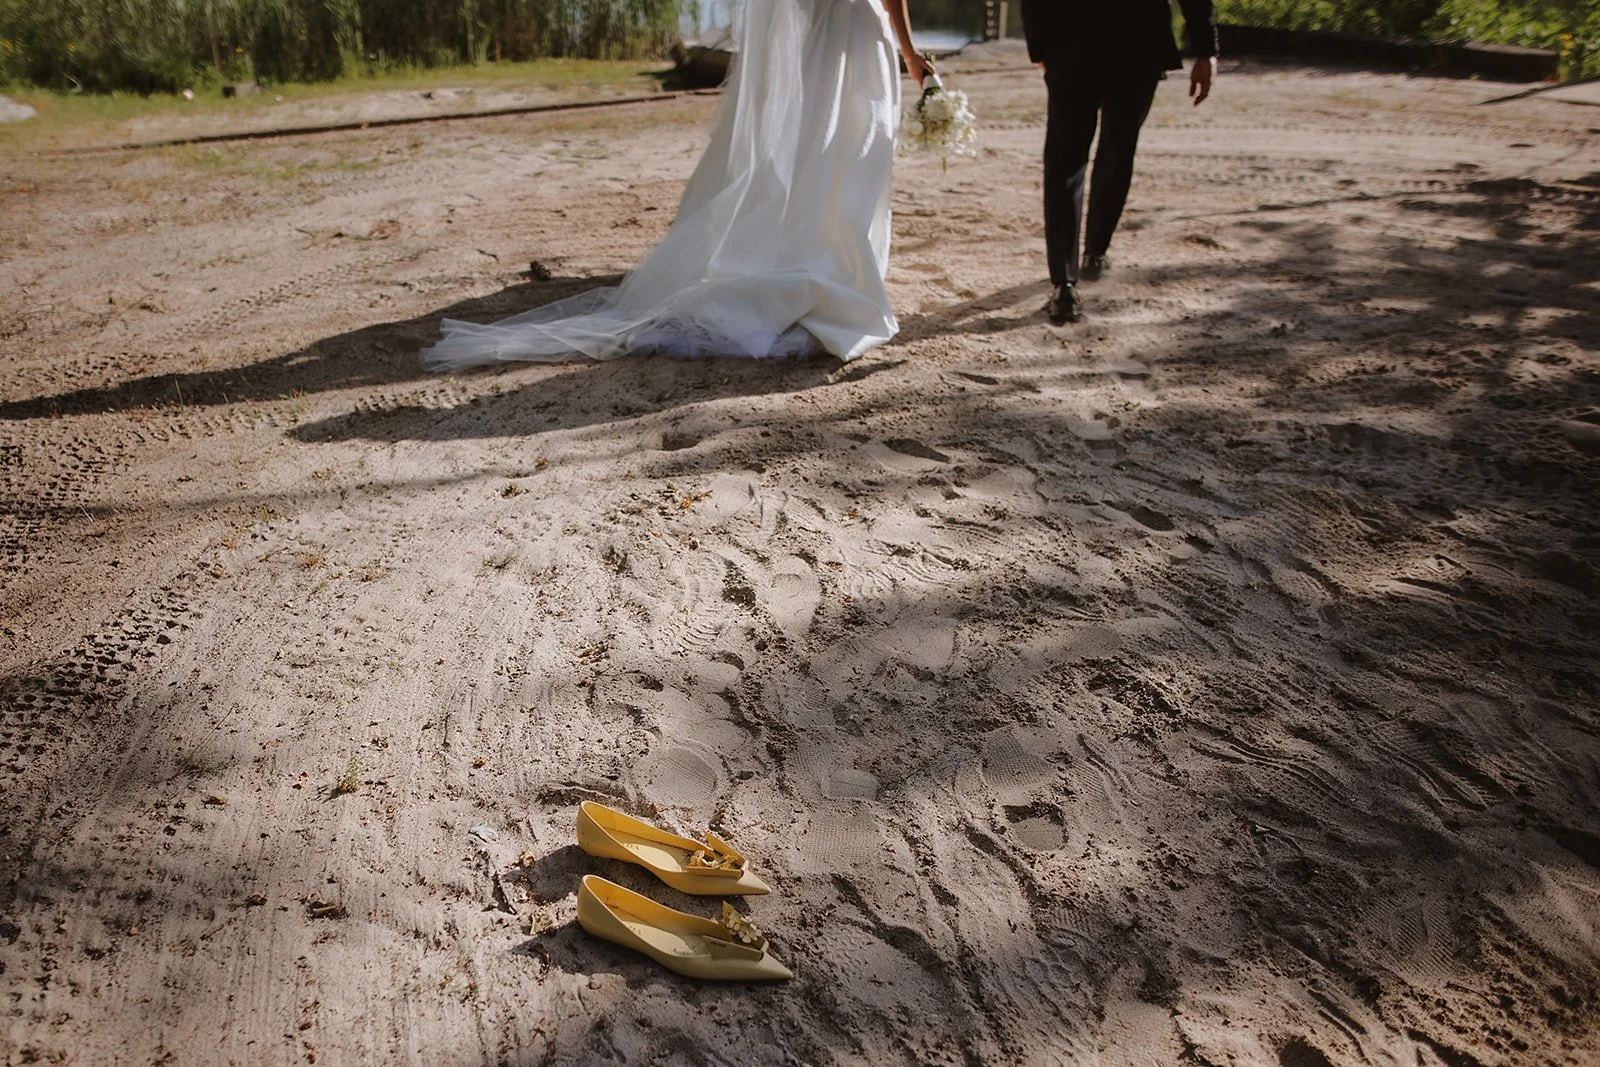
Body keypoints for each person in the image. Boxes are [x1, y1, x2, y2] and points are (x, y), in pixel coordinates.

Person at [421, 0, 933, 371]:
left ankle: (817, 254)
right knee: (849, 152)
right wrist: (909, 51)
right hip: (854, 30)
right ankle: (836, 263)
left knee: (816, 153)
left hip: (814, 28)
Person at [1021, 0, 1218, 324]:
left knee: (1065, 165)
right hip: (1137, 43)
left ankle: (1065, 284)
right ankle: (1094, 254)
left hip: (1074, 43)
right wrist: (1205, 50)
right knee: (1117, 151)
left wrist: (1041, 44)